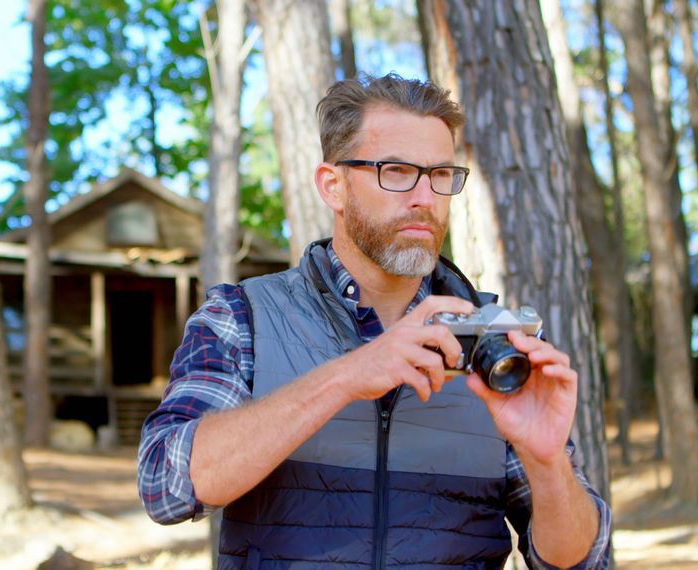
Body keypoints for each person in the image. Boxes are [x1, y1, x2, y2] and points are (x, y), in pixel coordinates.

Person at [139, 73, 611, 569]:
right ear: (333, 186)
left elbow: (577, 563)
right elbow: (165, 486)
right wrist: (347, 376)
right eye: (398, 171)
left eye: (441, 175)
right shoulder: (242, 318)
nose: (425, 198)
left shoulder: (496, 347)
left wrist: (547, 461)